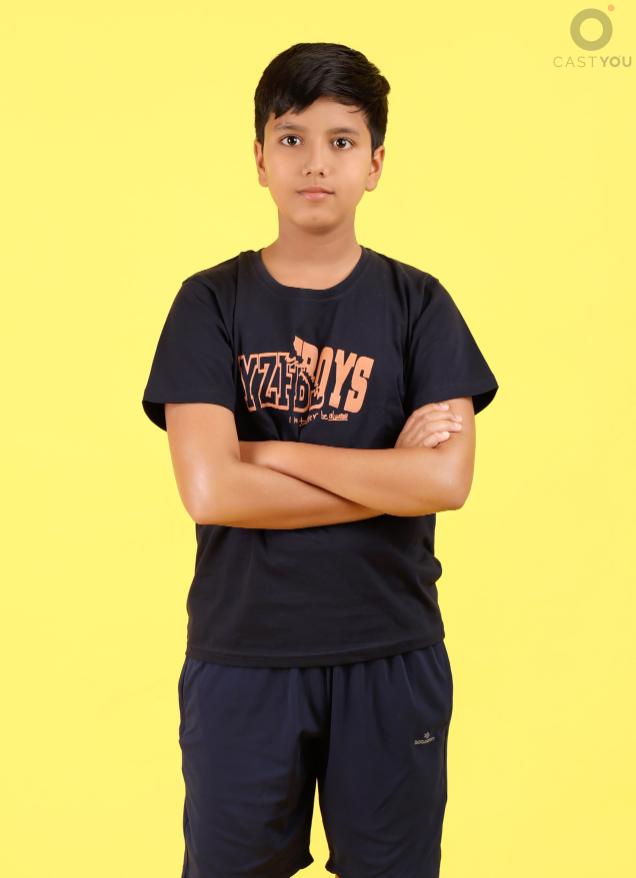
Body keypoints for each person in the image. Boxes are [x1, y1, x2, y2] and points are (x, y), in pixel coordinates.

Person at [142, 41, 499, 878]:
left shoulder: (420, 304)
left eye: (342, 141)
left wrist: (268, 451)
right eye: (292, 138)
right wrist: (388, 479)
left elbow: (445, 481)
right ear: (259, 158)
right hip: (244, 654)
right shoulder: (209, 303)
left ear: (375, 164)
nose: (315, 162)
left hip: (391, 649)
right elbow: (210, 491)